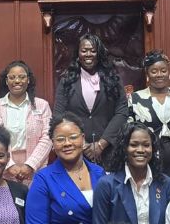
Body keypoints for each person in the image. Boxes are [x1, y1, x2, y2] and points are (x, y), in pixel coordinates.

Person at [26, 113, 106, 224]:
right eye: (60, 139)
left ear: (83, 139)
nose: (67, 143)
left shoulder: (99, 173)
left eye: (73, 137)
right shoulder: (44, 179)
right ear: (53, 144)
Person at [52, 34, 128, 164]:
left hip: (109, 151)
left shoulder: (113, 78)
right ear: (78, 54)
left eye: (93, 51)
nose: (89, 54)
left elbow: (122, 112)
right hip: (75, 151)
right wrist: (82, 144)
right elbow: (59, 114)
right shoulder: (66, 81)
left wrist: (101, 144)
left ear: (99, 54)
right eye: (84, 50)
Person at [129, 51, 170, 180]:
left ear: (168, 73)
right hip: (147, 161)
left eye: (163, 70)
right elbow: (129, 132)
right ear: (147, 75)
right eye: (154, 71)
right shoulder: (136, 99)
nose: (159, 75)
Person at [0, 60, 53, 183]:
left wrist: (30, 165)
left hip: (36, 170)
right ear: (6, 81)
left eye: (22, 77)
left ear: (28, 80)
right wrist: (9, 165)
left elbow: (48, 137)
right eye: (12, 77)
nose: (17, 81)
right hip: (3, 170)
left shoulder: (42, 105)